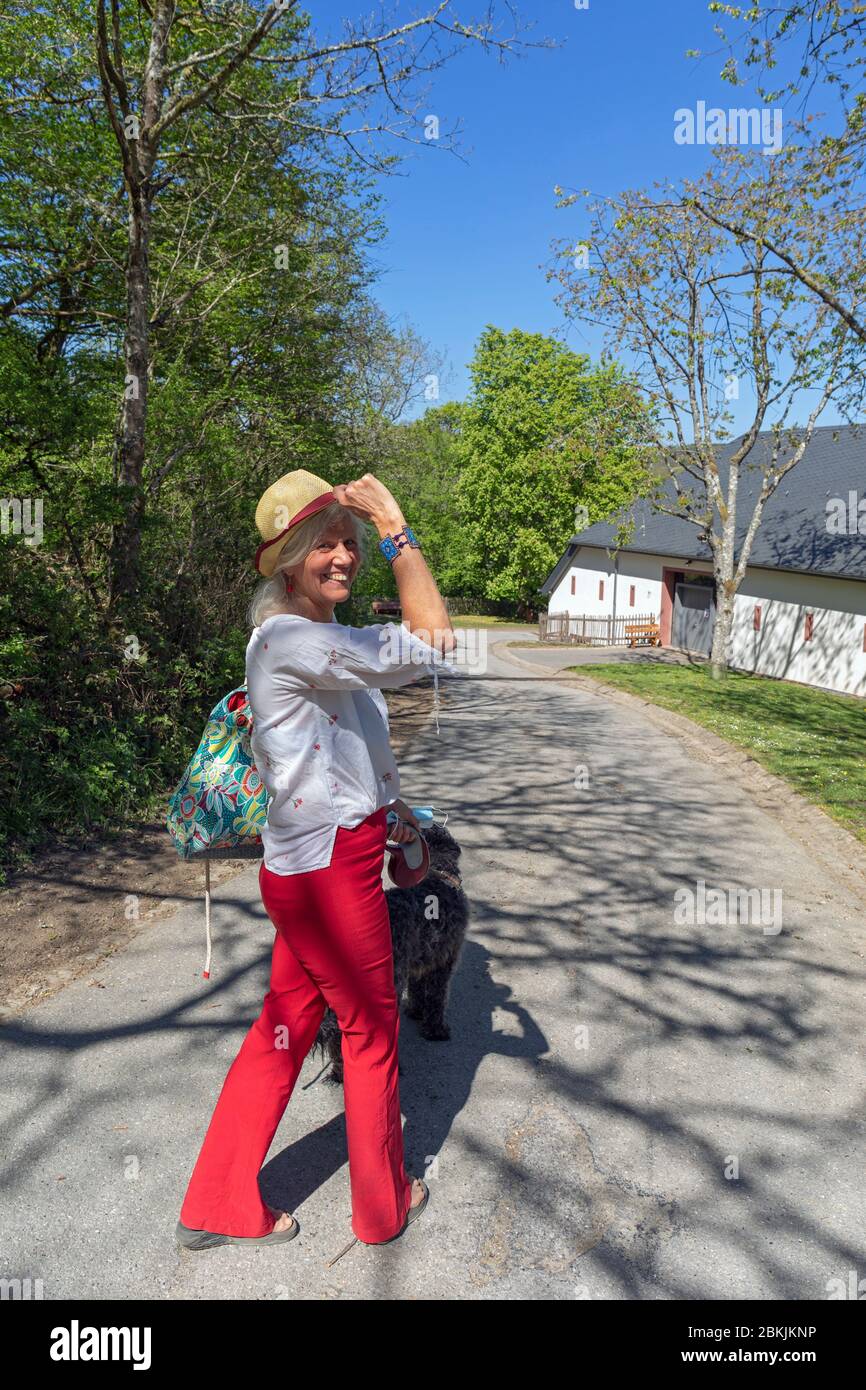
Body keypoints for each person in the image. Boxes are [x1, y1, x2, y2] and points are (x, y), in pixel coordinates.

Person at [176, 468, 458, 1253]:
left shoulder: (306, 640)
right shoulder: (298, 639)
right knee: (371, 1033)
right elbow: (434, 640)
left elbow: (333, 751)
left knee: (286, 1022)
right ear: (290, 560)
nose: (342, 556)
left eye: (351, 541)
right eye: (323, 544)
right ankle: (383, 1206)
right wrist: (399, 528)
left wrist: (390, 808)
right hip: (329, 870)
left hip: (313, 861)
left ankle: (216, 1199)